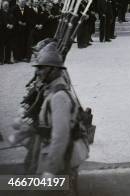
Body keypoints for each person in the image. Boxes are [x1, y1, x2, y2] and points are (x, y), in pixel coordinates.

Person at [32, 47, 83, 194]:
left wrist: (50, 169)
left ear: (53, 70)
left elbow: (60, 136)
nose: (38, 72)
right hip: (54, 156)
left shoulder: (59, 96)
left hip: (60, 161)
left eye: (42, 68)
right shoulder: (51, 91)